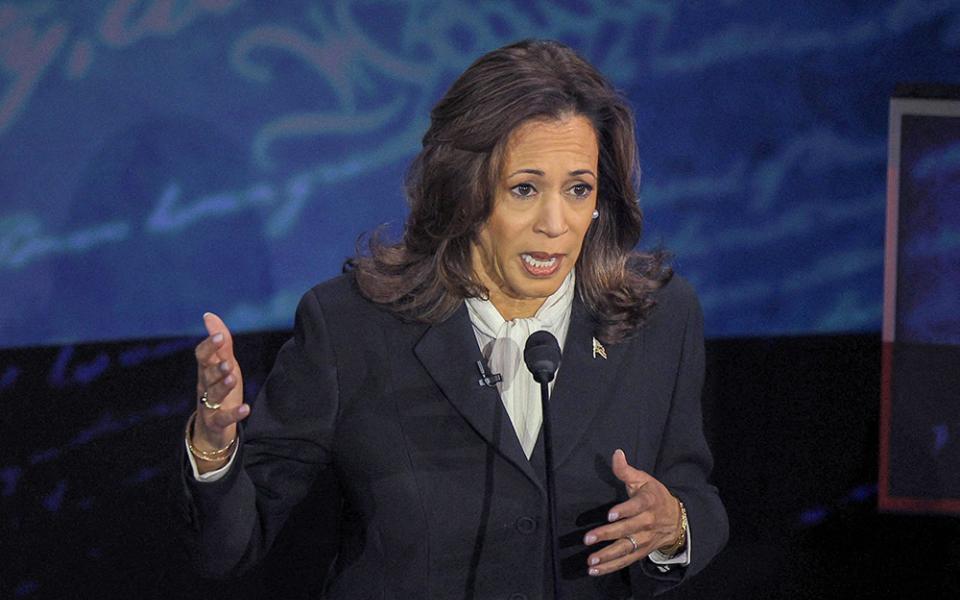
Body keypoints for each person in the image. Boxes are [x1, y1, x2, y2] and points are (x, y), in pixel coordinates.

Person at [177, 39, 728, 599]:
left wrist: (673, 525)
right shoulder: (352, 325)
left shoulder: (657, 317)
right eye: (524, 189)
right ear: (464, 188)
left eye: (578, 189)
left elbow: (693, 492)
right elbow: (230, 549)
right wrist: (214, 446)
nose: (555, 223)